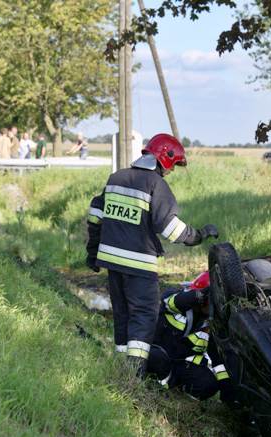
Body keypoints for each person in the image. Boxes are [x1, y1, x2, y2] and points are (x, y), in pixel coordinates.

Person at [85, 133, 219, 377]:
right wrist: (198, 235)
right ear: (165, 158)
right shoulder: (156, 185)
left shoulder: (116, 177)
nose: (170, 172)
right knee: (144, 315)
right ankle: (134, 374)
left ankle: (120, 366)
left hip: (111, 262)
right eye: (172, 166)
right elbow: (171, 229)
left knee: (122, 313)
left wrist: (92, 252)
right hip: (139, 264)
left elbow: (96, 213)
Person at [149, 272, 235, 402]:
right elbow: (175, 302)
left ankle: (176, 385)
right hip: (159, 353)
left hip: (182, 364)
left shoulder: (211, 322)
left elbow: (217, 359)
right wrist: (203, 293)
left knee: (208, 385)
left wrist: (226, 387)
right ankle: (155, 386)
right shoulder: (176, 299)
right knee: (157, 358)